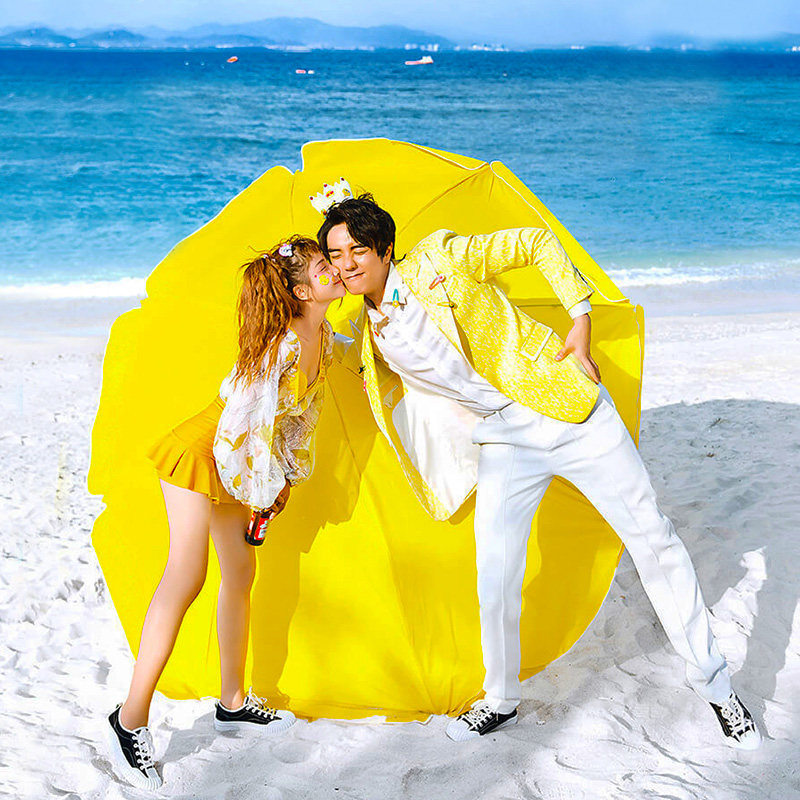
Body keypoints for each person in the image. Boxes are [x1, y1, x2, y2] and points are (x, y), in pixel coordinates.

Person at [317, 194, 761, 750]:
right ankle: (500, 699)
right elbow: (352, 366)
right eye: (335, 255)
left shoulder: (439, 259)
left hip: (570, 412)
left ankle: (718, 689)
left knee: (654, 540)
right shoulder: (370, 338)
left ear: (385, 249)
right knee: (495, 575)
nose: (347, 264)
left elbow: (534, 240)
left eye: (358, 250)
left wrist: (580, 319)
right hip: (503, 439)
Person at [105, 236, 345, 789]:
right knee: (187, 575)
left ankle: (232, 703)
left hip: (241, 461)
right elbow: (241, 428)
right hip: (203, 453)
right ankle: (129, 717)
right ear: (301, 291)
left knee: (240, 572)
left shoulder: (323, 336)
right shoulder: (281, 347)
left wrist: (283, 481)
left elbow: (296, 423)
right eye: (322, 266)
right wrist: (263, 490)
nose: (335, 270)